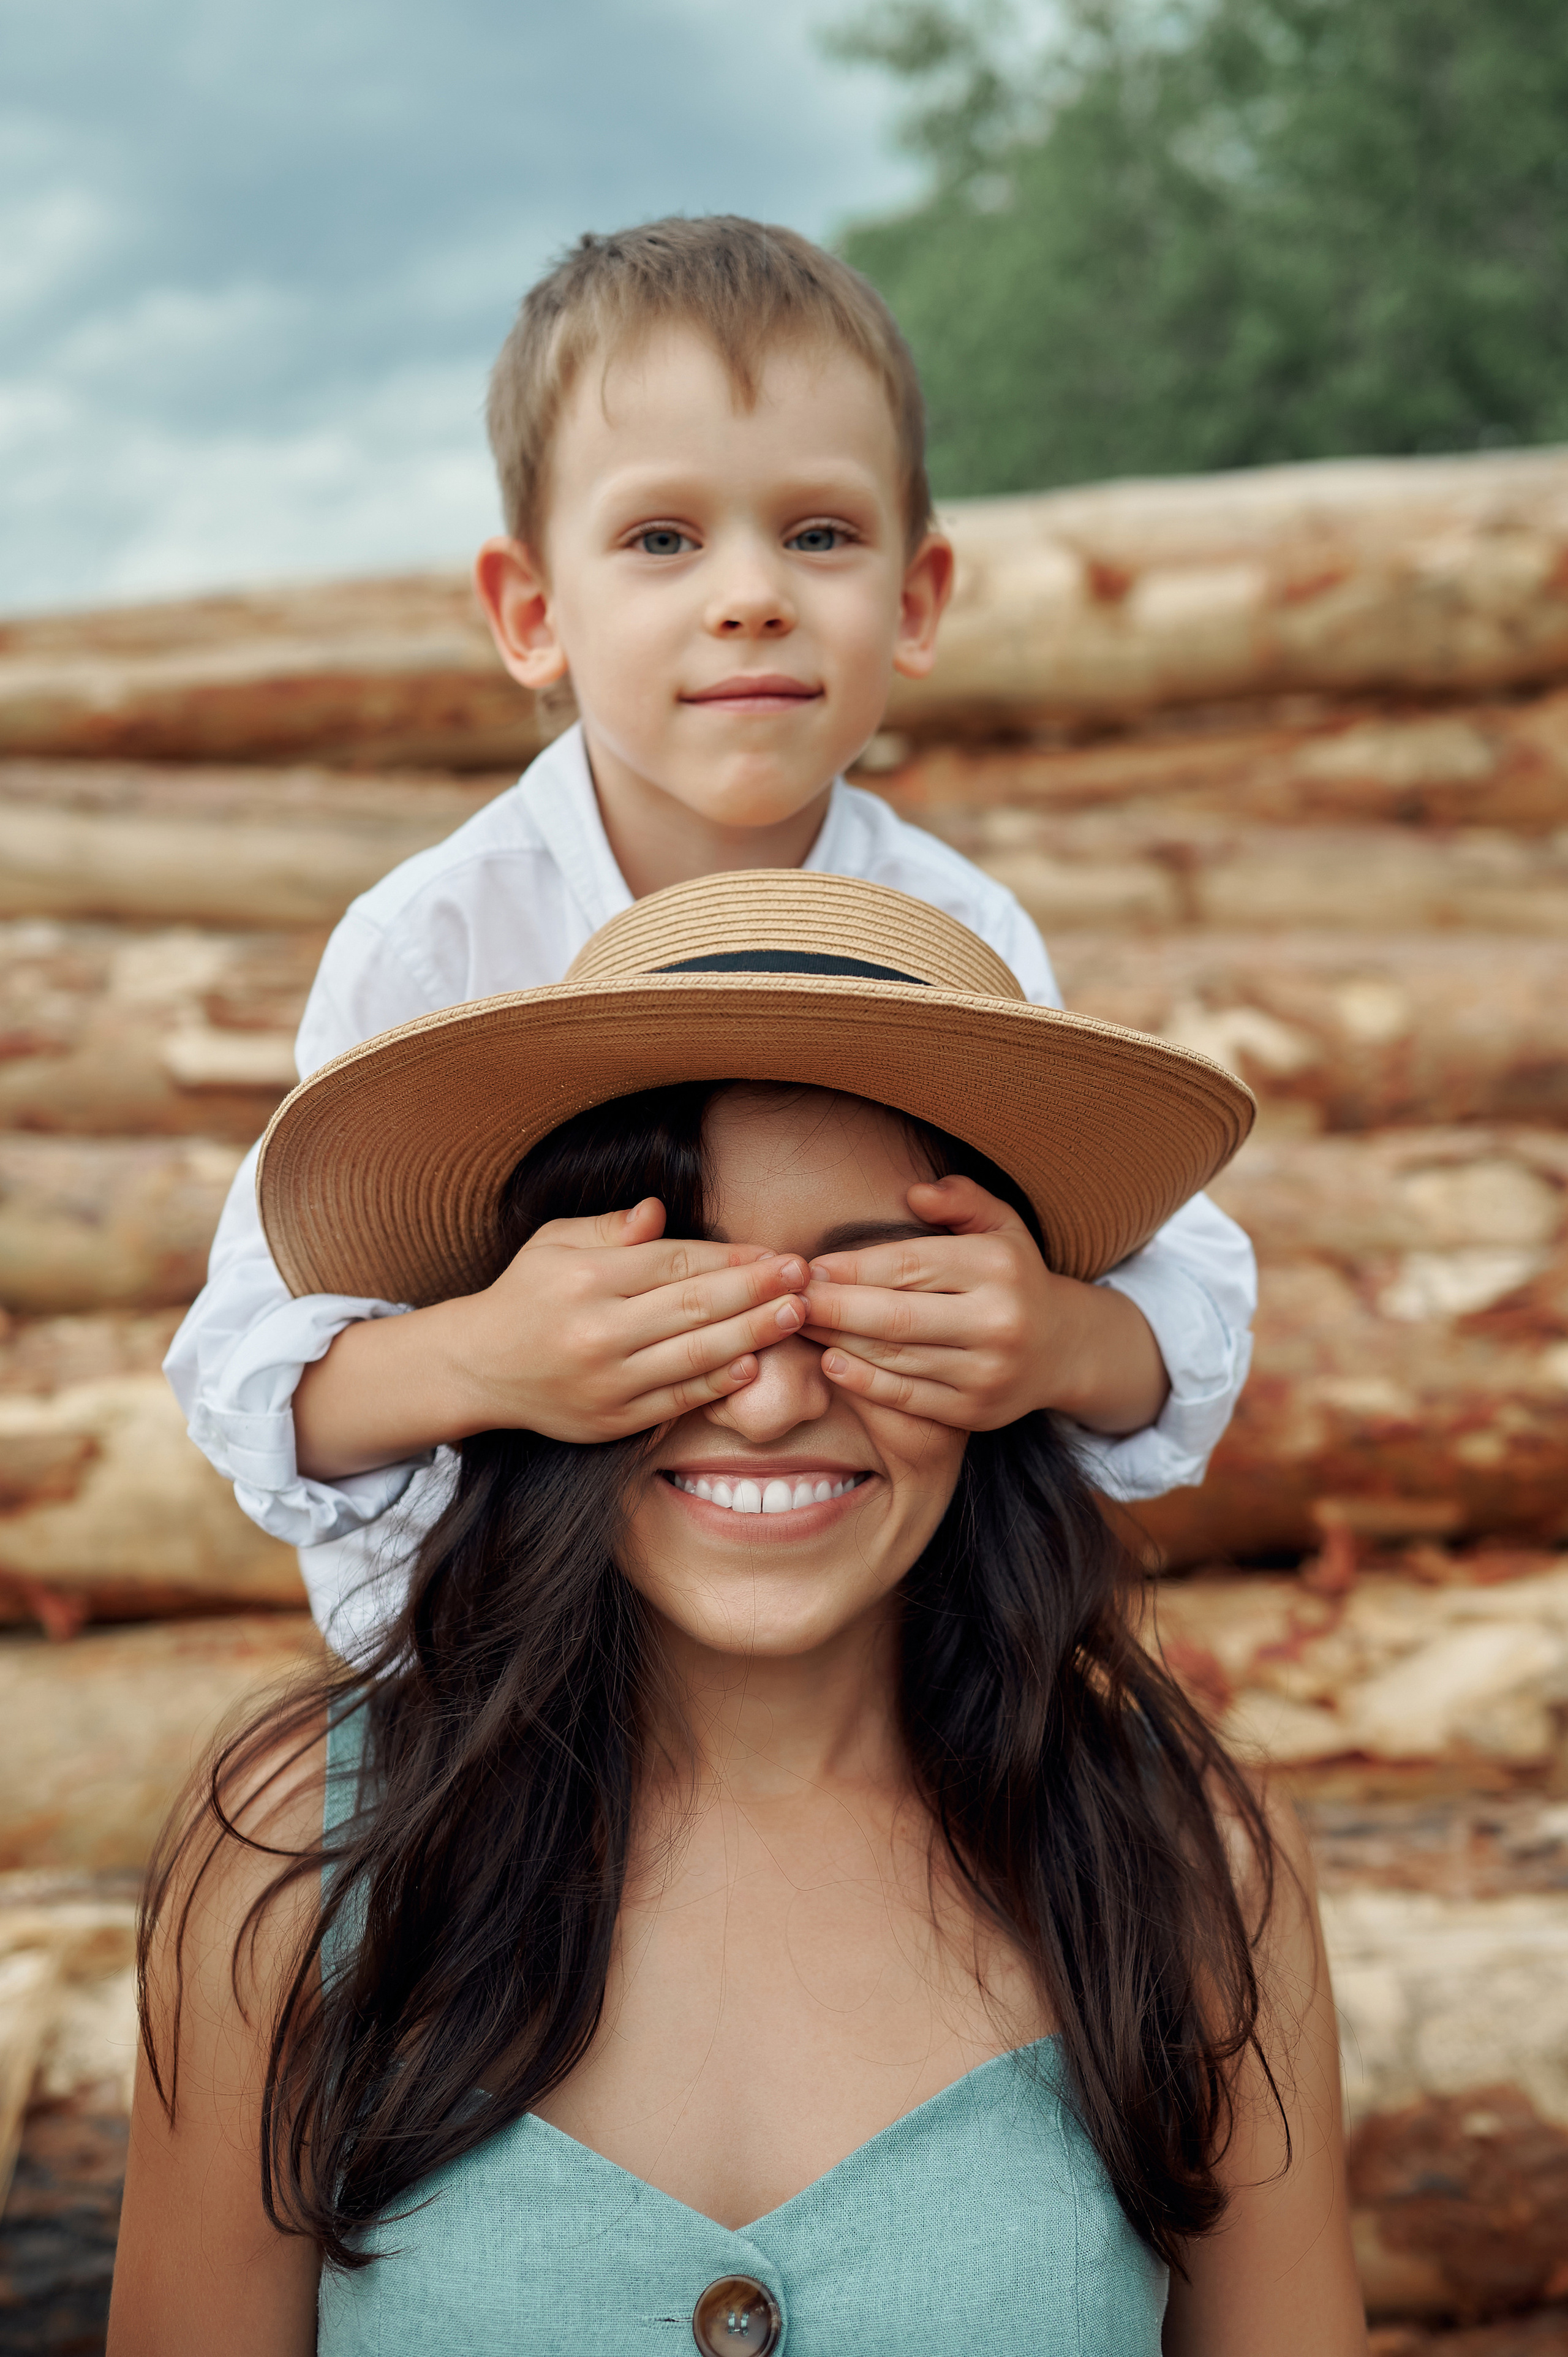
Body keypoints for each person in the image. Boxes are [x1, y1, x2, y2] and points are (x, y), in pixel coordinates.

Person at [111, 878, 1363, 2357]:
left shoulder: (1191, 1864)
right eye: (679, 1306)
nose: (769, 1400)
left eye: (877, 1301)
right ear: (533, 1348)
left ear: (1010, 1354)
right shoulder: (296, 1854)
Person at [162, 214, 1257, 1662]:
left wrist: (1050, 1337)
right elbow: (252, 1378)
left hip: (850, 1653)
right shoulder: (440, 937)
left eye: (819, 533)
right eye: (661, 538)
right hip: (504, 1691)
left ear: (915, 601)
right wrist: (484, 1355)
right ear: (533, 612)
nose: (751, 596)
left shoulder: (954, 931)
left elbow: (1176, 1303)